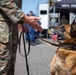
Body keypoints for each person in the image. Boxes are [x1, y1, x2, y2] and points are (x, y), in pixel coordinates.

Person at [0, 0, 42, 75]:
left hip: (11, 29)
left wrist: (22, 21)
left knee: (9, 67)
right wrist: (25, 18)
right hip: (2, 30)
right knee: (3, 67)